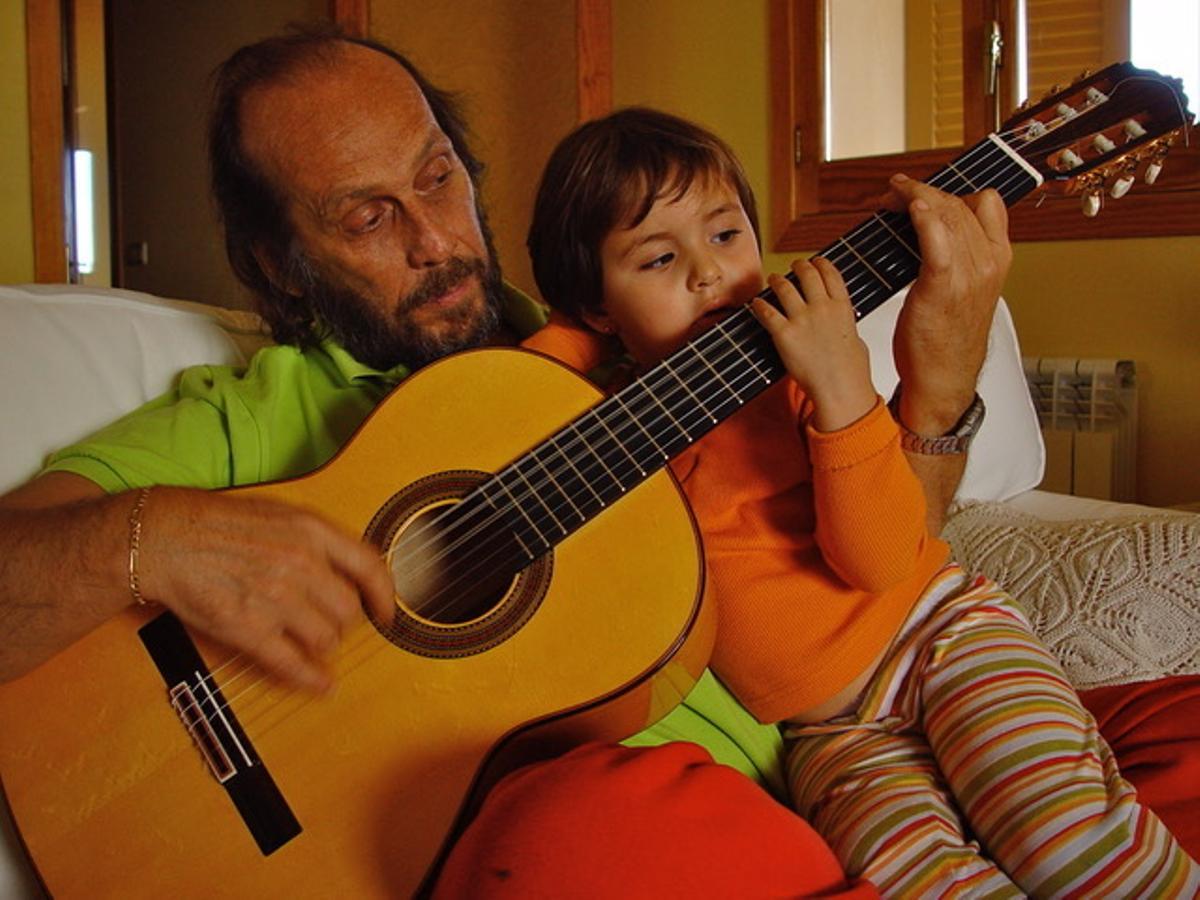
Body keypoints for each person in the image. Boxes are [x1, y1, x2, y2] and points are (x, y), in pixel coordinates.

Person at [0, 27, 1001, 898]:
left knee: (1163, 738)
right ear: (276, 262)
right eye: (367, 216)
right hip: (619, 849)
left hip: (849, 761)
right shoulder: (252, 417)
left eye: (437, 177)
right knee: (586, 820)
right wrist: (151, 540)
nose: (436, 238)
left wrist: (940, 387)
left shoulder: (648, 337)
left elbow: (883, 546)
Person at [522, 106, 1200, 897]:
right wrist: (580, 339)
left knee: (1070, 836)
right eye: (657, 258)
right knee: (923, 883)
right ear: (598, 308)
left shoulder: (801, 370)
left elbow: (880, 559)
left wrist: (843, 388)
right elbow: (516, 379)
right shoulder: (599, 422)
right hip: (828, 732)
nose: (707, 272)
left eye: (726, 234)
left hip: (941, 639)